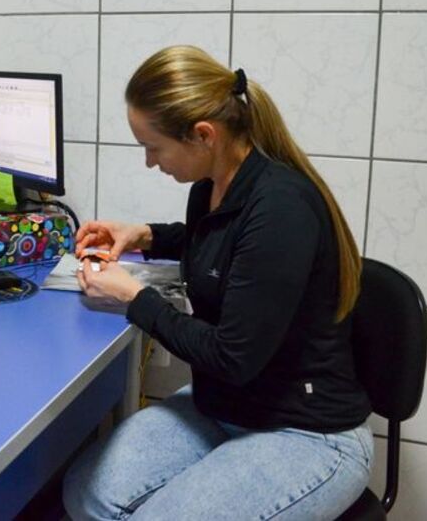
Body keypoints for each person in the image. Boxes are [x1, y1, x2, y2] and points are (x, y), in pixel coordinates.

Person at [63, 46, 373, 520]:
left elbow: (233, 356)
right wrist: (144, 236)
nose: (150, 162)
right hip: (225, 406)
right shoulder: (212, 186)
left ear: (203, 135)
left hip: (306, 431)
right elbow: (220, 245)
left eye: (154, 147)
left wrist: (135, 299)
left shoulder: (281, 208)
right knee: (87, 495)